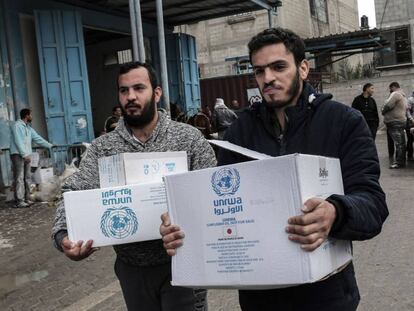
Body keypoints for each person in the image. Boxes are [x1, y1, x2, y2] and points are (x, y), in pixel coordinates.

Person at [160, 28, 388, 311]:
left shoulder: (344, 122)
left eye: (278, 67)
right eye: (259, 71)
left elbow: (373, 204)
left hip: (327, 297)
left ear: (303, 68)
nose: (268, 78)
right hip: (260, 299)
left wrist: (336, 212)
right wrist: (184, 227)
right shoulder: (239, 131)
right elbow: (219, 202)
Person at [51, 62, 216, 311]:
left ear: (156, 93)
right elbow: (75, 190)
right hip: (132, 269)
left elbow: (211, 192)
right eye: (124, 90)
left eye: (139, 88)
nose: (131, 96)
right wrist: (64, 234)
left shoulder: (189, 138)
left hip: (184, 261)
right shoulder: (103, 148)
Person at [9, 108, 53, 208]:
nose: (32, 117)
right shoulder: (17, 126)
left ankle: (27, 198)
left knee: (27, 178)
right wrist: (24, 155)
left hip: (26, 155)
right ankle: (19, 201)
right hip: (18, 155)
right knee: (19, 178)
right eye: (31, 115)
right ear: (27, 116)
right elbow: (18, 141)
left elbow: (38, 138)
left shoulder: (28, 128)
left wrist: (50, 145)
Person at [382, 82, 408, 169]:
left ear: (393, 87)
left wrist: (382, 110)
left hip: (395, 122)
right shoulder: (403, 95)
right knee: (401, 143)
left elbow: (388, 105)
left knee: (399, 143)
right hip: (400, 121)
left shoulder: (395, 94)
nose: (389, 90)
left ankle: (399, 163)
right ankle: (401, 162)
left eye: (390, 88)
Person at [406, 91, 414, 161]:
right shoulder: (410, 99)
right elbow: (407, 111)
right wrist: (411, 119)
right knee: (410, 139)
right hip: (411, 122)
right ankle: (409, 155)